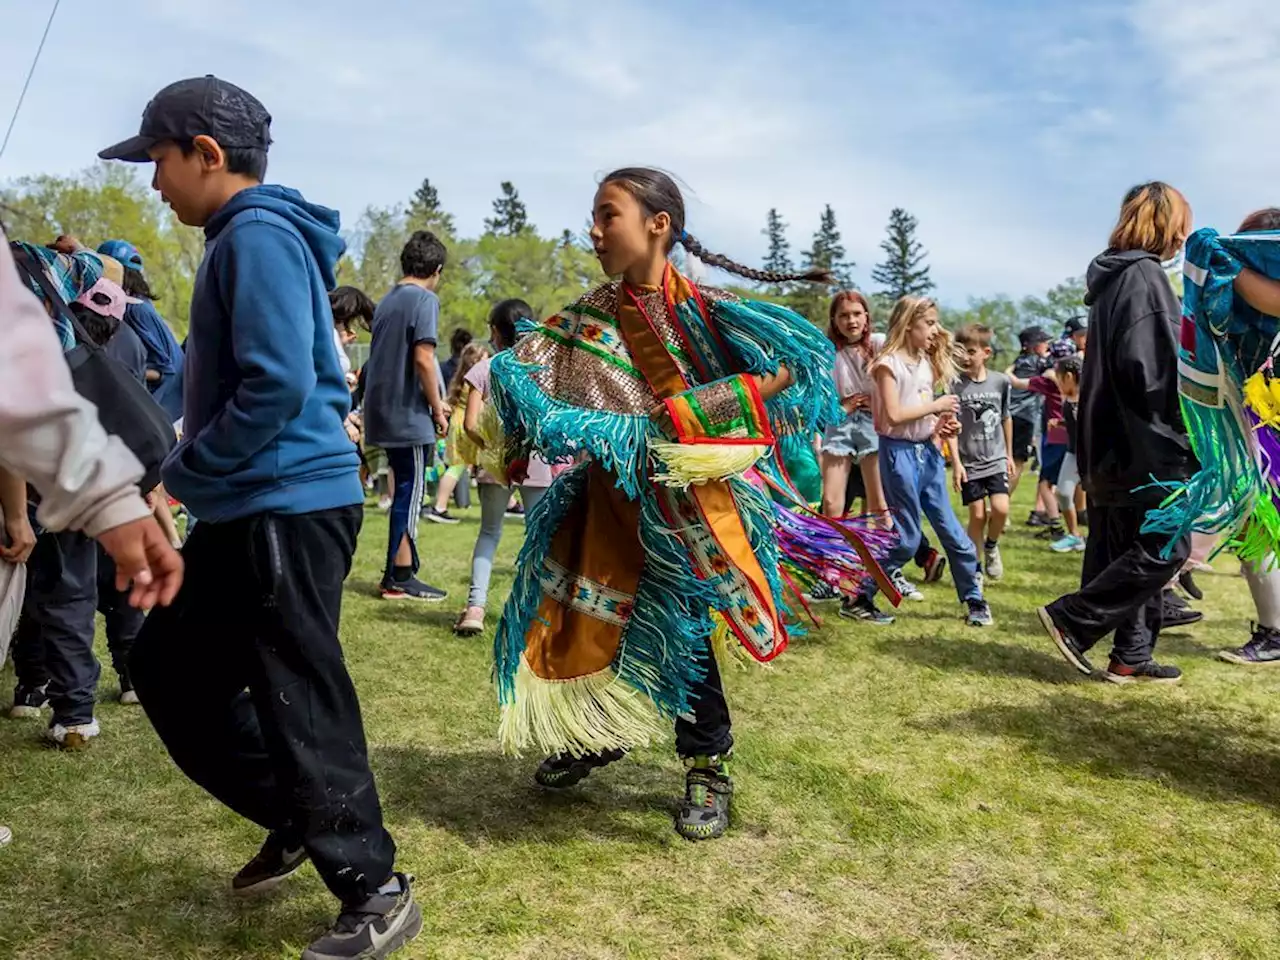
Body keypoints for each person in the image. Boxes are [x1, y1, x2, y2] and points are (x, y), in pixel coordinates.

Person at [98, 75, 420, 960]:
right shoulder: (243, 238)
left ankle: (375, 889)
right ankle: (296, 814)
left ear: (207, 155)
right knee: (166, 667)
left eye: (158, 160)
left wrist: (178, 477)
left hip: (286, 502)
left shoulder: (259, 236)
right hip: (251, 504)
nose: (153, 182)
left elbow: (278, 386)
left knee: (298, 694)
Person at [485, 166, 854, 841]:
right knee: (592, 616)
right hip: (608, 500)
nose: (593, 231)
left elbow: (788, 365)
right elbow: (530, 378)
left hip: (686, 507)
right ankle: (600, 730)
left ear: (658, 225)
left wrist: (687, 414)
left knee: (683, 632)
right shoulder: (589, 317)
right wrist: (518, 393)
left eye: (608, 215)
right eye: (594, 217)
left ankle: (706, 763)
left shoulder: (707, 311)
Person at [0, 226, 184, 849]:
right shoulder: (49, 276)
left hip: (40, 478)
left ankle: (50, 695)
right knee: (79, 591)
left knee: (51, 597)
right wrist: (73, 252)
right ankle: (82, 705)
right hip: (79, 470)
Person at [1038, 181, 1195, 686]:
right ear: (1166, 222)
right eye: (1182, 225)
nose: (1184, 238)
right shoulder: (1145, 276)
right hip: (1146, 441)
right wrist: (1191, 421)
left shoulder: (1112, 281)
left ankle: (1131, 654)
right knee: (1166, 545)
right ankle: (1073, 618)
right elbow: (1153, 371)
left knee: (1129, 545)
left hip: (1107, 443)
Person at [1141, 207, 1280, 664]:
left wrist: (1226, 258)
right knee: (1250, 525)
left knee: (1246, 517)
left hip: (1263, 432)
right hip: (1253, 425)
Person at [845, 296, 993, 627]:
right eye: (929, 323)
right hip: (897, 454)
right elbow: (895, 416)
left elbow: (925, 415)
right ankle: (859, 596)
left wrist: (942, 425)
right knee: (907, 538)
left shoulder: (926, 363)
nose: (935, 329)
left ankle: (974, 600)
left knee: (953, 532)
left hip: (926, 453)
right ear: (909, 323)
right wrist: (936, 407)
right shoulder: (887, 364)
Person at [454, 300, 558, 635]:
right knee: (539, 537)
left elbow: (470, 424)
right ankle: (538, 611)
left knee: (489, 533)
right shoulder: (542, 371)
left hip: (494, 464)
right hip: (537, 462)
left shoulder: (485, 370)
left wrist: (490, 449)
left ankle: (475, 608)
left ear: (496, 332)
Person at [363, 230, 451, 601]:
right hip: (409, 416)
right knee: (411, 493)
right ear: (437, 269)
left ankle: (395, 573)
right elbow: (423, 359)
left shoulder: (387, 301)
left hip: (382, 411)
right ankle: (400, 575)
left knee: (401, 489)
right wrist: (437, 407)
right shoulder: (424, 300)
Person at [949, 323, 1013, 580]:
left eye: (972, 351)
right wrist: (956, 463)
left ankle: (991, 546)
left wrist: (1008, 454)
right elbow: (951, 428)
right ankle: (973, 568)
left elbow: (1006, 417)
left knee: (1001, 509)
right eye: (961, 351)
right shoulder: (954, 385)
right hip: (970, 462)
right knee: (977, 514)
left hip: (996, 458)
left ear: (986, 352)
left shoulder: (1001, 382)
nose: (965, 357)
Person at [97, 239, 186, 421]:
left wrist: (122, 371)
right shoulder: (136, 304)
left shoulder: (136, 309)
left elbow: (166, 369)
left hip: (167, 408)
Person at [820, 290, 887, 521]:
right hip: (839, 421)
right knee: (830, 502)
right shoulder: (827, 350)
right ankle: (834, 555)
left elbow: (895, 379)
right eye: (844, 315)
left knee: (879, 502)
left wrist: (876, 401)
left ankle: (884, 556)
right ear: (835, 321)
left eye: (857, 314)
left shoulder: (878, 343)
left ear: (866, 317)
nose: (851, 321)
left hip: (872, 421)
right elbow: (821, 392)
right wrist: (841, 406)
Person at [1042, 354, 1086, 553]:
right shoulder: (1069, 399)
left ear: (1069, 376)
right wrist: (1061, 423)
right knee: (1063, 493)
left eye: (1059, 379)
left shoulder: (1091, 397)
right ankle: (1074, 535)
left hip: (1090, 457)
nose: (1058, 383)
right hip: (1073, 453)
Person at [1009, 326, 1052, 503]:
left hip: (1008, 416)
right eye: (1043, 342)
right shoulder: (1039, 363)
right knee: (1017, 463)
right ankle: (1000, 504)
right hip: (1024, 417)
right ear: (1031, 345)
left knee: (1007, 461)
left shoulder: (1018, 362)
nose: (1046, 346)